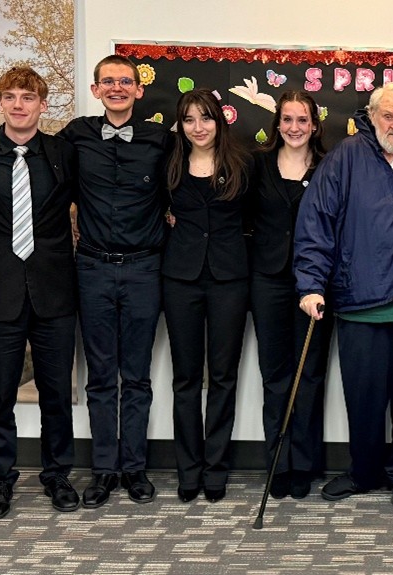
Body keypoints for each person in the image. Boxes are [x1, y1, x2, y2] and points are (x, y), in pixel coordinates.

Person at [0, 67, 80, 519]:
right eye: (10, 96)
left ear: (44, 104)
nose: (19, 104)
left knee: (56, 393)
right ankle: (0, 481)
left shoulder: (65, 153)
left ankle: (57, 475)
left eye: (28, 96)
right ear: (0, 102)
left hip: (55, 292)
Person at [293, 82, 393, 510]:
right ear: (372, 116)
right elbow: (316, 222)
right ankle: (363, 472)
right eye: (387, 115)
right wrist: (311, 284)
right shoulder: (345, 157)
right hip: (360, 302)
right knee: (364, 400)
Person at [57, 55, 171, 507]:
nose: (118, 88)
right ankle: (103, 469)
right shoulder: (76, 136)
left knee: (137, 376)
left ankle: (135, 469)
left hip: (145, 268)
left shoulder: (162, 140)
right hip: (93, 268)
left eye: (126, 81)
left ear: (139, 90)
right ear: (96, 88)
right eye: (109, 81)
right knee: (101, 377)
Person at [161, 88, 251, 504]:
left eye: (206, 118)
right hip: (180, 278)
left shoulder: (243, 163)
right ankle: (189, 469)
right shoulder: (170, 163)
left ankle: (216, 468)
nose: (198, 128)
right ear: (181, 124)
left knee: (222, 378)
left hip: (230, 279)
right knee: (185, 379)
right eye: (190, 120)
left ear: (220, 120)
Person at [248, 91, 334, 500]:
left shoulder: (329, 167)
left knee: (310, 375)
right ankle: (278, 463)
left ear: (314, 125)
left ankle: (304, 464)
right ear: (277, 123)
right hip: (267, 280)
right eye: (288, 119)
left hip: (314, 282)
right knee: (275, 376)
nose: (295, 128)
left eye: (303, 120)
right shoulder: (257, 163)